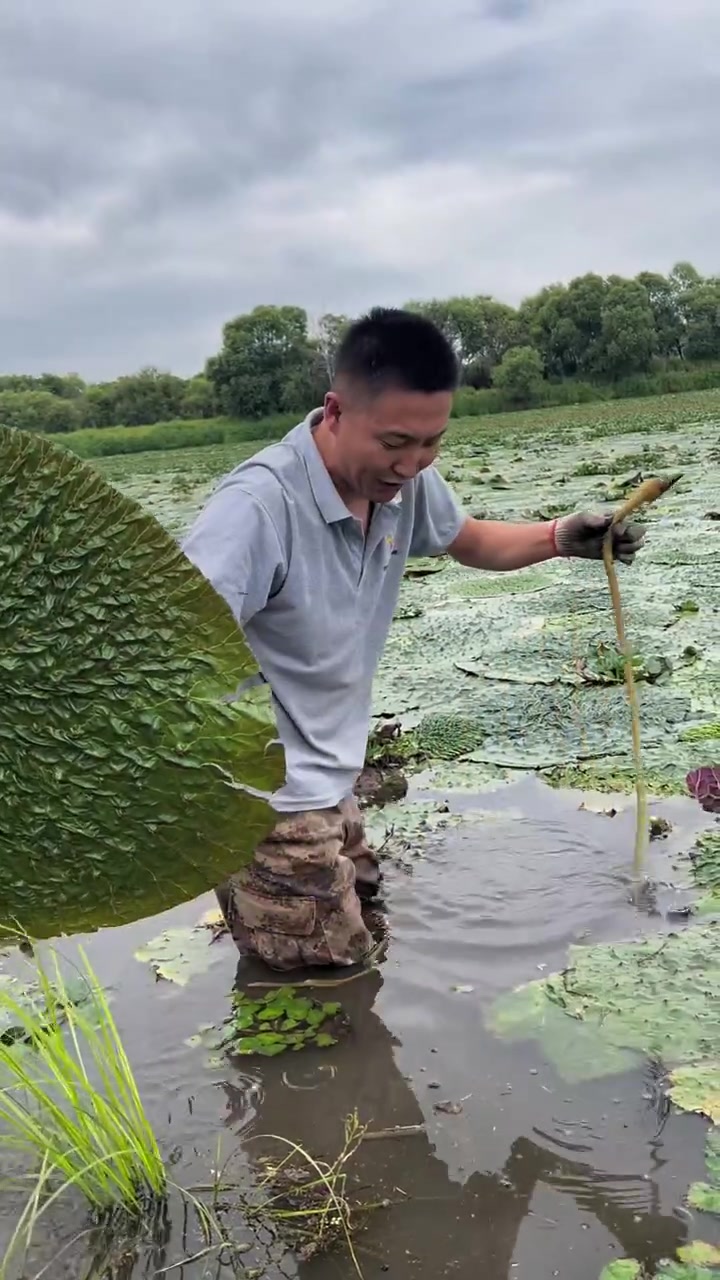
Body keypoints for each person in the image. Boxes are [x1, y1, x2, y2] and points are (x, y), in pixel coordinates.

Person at [182, 307, 643, 972]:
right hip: (265, 798)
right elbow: (173, 647)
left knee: (368, 919)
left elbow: (470, 539)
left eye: (431, 442)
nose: (412, 463)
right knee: (325, 980)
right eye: (395, 442)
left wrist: (559, 536)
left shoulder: (404, 484)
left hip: (331, 774)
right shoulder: (256, 510)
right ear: (335, 411)